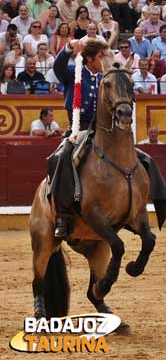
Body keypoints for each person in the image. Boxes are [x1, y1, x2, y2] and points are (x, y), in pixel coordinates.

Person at [50, 39, 109, 238]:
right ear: (90, 58)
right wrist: (68, 48)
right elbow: (57, 66)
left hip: (103, 132)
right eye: (101, 56)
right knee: (60, 159)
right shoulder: (72, 73)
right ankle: (62, 216)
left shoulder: (105, 78)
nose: (104, 60)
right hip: (78, 130)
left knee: (137, 158)